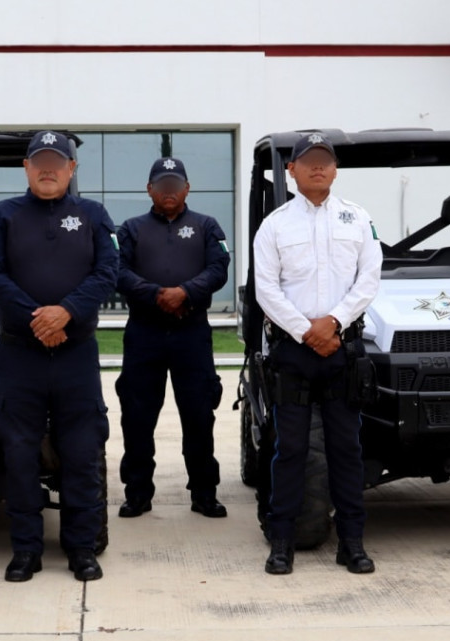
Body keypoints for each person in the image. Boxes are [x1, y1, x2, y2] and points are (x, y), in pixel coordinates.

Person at [0, 130, 118, 583]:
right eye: (39, 161)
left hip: (76, 353)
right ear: (26, 167)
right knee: (18, 454)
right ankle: (25, 550)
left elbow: (108, 272)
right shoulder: (4, 215)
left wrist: (67, 313)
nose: (48, 169)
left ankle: (81, 549)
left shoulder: (94, 215)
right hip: (21, 356)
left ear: (72, 169)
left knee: (81, 452)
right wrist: (38, 318)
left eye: (58, 162)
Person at [252, 132, 382, 575]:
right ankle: (282, 542)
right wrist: (305, 330)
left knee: (346, 450)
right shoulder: (275, 225)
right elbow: (265, 288)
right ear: (291, 169)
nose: (318, 167)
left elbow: (369, 279)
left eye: (325, 160)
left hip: (341, 351)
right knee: (291, 451)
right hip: (294, 353)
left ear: (335, 169)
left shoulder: (357, 218)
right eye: (308, 161)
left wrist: (335, 322)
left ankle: (353, 543)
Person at [114, 157, 230, 519]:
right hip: (144, 333)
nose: (169, 191)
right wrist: (156, 294)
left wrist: (185, 292)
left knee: (198, 416)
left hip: (191, 333)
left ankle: (204, 492)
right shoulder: (130, 229)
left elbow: (219, 268)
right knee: (137, 417)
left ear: (186, 188)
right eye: (162, 185)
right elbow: (117, 270)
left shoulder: (207, 226)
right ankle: (137, 493)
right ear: (149, 190)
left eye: (175, 185)